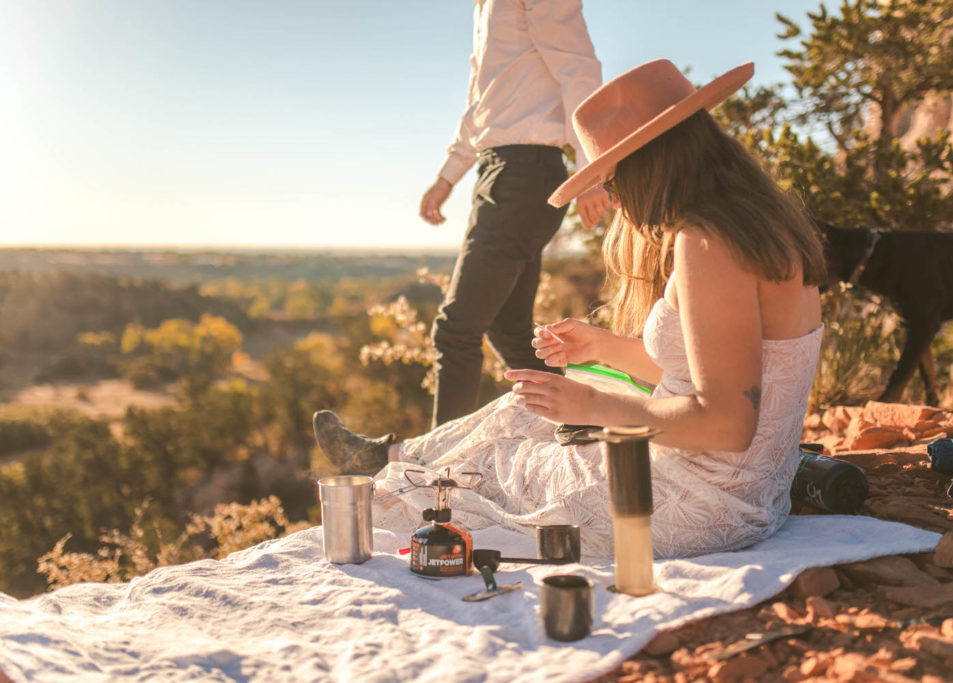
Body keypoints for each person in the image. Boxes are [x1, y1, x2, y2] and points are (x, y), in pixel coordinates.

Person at [316, 58, 827, 558]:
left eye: (611, 173)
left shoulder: (708, 244)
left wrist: (593, 407)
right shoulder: (757, 225)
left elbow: (725, 424)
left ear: (650, 160)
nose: (613, 194)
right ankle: (385, 456)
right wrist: (601, 348)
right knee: (523, 407)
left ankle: (382, 475)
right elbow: (717, 370)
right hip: (740, 493)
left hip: (693, 502)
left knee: (490, 466)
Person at [419, 0, 608, 428]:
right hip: (498, 170)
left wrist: (589, 169)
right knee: (507, 327)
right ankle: (580, 428)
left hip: (526, 172)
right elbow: (482, 105)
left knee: (456, 331)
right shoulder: (484, 8)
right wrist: (448, 177)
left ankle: (438, 469)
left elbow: (579, 70)